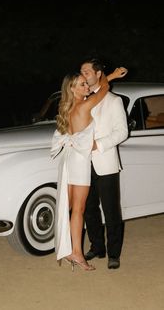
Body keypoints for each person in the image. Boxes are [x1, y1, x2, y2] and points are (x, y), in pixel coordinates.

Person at [51, 67, 127, 272]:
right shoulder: (84, 106)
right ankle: (75, 252)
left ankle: (70, 249)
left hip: (69, 159)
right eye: (82, 83)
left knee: (70, 207)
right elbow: (104, 88)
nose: (86, 85)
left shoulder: (66, 107)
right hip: (80, 161)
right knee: (79, 209)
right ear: (73, 89)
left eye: (86, 81)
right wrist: (109, 76)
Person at [80, 57, 128, 270]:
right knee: (89, 209)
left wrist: (97, 145)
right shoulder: (82, 99)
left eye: (87, 72)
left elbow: (122, 132)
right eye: (82, 72)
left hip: (106, 162)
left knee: (110, 210)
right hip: (83, 163)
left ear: (98, 74)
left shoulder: (114, 101)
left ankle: (114, 253)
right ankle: (97, 246)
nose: (83, 75)